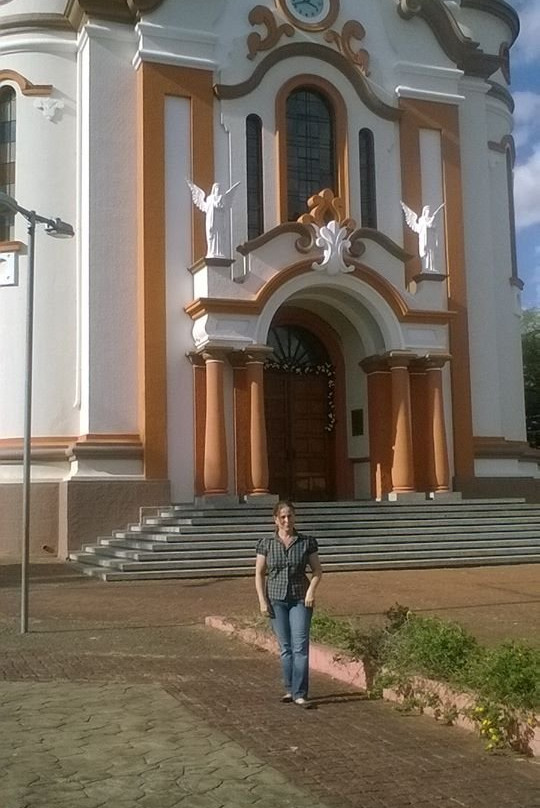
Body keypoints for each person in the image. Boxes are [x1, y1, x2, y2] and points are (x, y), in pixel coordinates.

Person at [255, 500, 323, 708]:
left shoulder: (306, 542)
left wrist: (311, 590)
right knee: (285, 648)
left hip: (300, 598)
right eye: (282, 517)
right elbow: (259, 573)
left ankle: (300, 693)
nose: (287, 520)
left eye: (290, 516)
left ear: (295, 517)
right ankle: (289, 688)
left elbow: (317, 571)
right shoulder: (266, 544)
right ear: (275, 519)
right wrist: (262, 601)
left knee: (300, 646)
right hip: (276, 600)